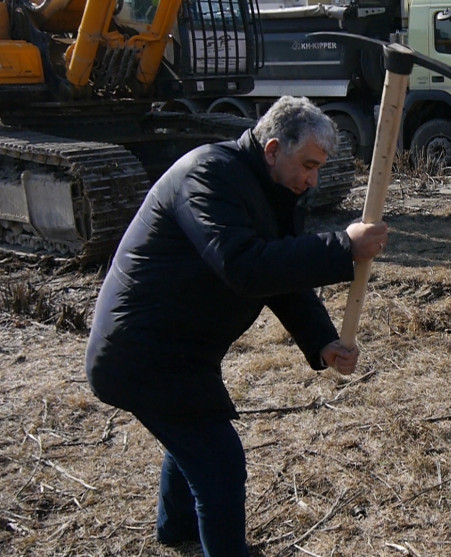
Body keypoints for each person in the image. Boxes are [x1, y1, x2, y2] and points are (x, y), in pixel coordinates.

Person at [85, 96, 387, 555]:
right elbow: (244, 266)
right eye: (308, 165)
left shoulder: (274, 191)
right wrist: (342, 246)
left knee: (192, 435)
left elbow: (282, 277)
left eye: (319, 169)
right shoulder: (208, 175)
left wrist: (323, 340)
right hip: (139, 351)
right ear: (273, 150)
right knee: (219, 463)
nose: (313, 180)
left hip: (181, 351)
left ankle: (177, 530)